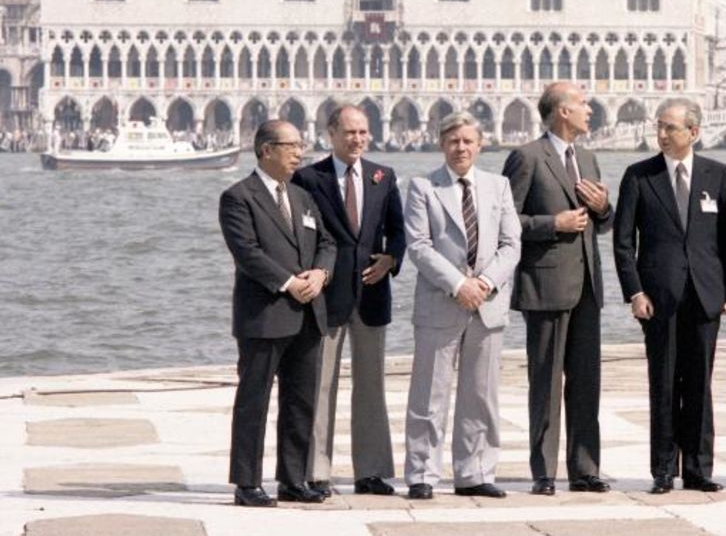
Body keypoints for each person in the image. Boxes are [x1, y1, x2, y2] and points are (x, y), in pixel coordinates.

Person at [612, 98, 726, 494]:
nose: (662, 134)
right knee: (663, 382)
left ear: (693, 132)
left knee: (700, 383)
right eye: (659, 127)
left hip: (705, 296)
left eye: (671, 128)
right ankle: (663, 469)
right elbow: (622, 242)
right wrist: (634, 291)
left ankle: (699, 469)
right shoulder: (639, 175)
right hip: (657, 297)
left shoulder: (717, 174)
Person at [501, 81, 614, 496]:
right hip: (546, 285)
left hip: (587, 286)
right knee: (546, 383)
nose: (590, 110)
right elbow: (507, 221)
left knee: (587, 383)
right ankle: (544, 472)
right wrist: (554, 224)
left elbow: (601, 222)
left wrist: (603, 209)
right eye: (583, 104)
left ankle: (585, 469)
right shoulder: (527, 157)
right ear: (562, 112)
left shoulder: (587, 157)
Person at [402, 111, 522, 500]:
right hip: (441, 301)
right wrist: (458, 284)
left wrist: (484, 283)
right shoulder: (423, 187)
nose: (461, 148)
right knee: (429, 393)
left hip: (487, 304)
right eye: (453, 141)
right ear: (442, 144)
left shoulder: (498, 185)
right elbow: (418, 246)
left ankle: (475, 471)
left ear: (480, 144)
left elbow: (511, 244)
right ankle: (422, 473)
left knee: (481, 394)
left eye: (468, 141)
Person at [218, 120, 336, 507]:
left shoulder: (302, 197)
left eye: (301, 145)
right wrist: (289, 283)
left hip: (308, 313)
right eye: (291, 146)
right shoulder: (238, 197)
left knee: (300, 400)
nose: (300, 153)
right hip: (265, 314)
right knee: (254, 400)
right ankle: (247, 482)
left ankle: (293, 478)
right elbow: (247, 252)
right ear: (266, 149)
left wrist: (320, 274)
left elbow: (327, 242)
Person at [291, 104, 406, 498]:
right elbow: (301, 236)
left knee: (371, 386)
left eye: (363, 132)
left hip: (373, 294)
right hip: (326, 296)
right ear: (331, 135)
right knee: (320, 384)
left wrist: (392, 259)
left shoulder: (383, 176)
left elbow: (397, 230)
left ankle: (371, 471)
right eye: (350, 132)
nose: (358, 139)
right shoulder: (309, 178)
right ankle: (316, 470)